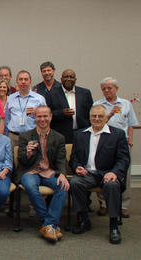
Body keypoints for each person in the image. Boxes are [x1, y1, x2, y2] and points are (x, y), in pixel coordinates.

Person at [70, 105, 130, 244]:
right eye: (94, 116)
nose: (97, 119)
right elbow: (74, 158)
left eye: (100, 116)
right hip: (88, 174)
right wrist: (77, 167)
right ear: (90, 117)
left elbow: (124, 159)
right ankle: (84, 220)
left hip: (108, 174)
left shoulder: (117, 135)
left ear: (106, 117)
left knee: (112, 186)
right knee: (75, 183)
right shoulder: (80, 134)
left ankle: (114, 226)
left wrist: (114, 172)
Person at [16, 106, 70, 243]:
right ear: (35, 117)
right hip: (30, 171)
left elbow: (61, 159)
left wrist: (63, 174)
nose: (42, 119)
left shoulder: (58, 137)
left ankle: (48, 225)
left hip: (49, 171)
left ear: (51, 117)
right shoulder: (25, 136)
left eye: (45, 116)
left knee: (63, 186)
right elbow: (21, 160)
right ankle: (50, 225)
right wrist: (27, 153)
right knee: (31, 186)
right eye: (39, 116)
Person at [93, 77, 138, 218]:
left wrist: (130, 140)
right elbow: (94, 122)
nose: (107, 90)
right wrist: (110, 113)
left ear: (116, 89)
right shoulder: (98, 104)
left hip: (122, 142)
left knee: (125, 174)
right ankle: (104, 204)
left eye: (110, 88)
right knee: (101, 171)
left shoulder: (126, 104)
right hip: (103, 142)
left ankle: (124, 205)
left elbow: (131, 123)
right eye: (104, 88)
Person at [48, 69, 93, 144]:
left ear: (75, 79)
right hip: (61, 134)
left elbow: (91, 112)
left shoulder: (85, 93)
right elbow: (48, 113)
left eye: (71, 77)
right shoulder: (52, 94)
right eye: (66, 77)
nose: (69, 79)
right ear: (61, 79)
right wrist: (62, 113)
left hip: (82, 133)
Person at [4, 70, 46, 147]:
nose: (23, 82)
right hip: (13, 137)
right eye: (20, 79)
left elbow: (46, 118)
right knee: (13, 158)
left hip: (32, 136)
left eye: (26, 79)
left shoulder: (39, 99)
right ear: (17, 81)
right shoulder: (10, 98)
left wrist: (36, 113)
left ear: (30, 81)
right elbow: (7, 118)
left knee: (32, 158)